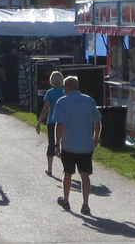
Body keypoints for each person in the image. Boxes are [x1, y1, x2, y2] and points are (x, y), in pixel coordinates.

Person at [51, 75, 101, 216]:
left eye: (64, 86)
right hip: (86, 144)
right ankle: (85, 204)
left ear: (69, 87)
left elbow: (59, 125)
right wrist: (96, 137)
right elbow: (97, 121)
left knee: (68, 172)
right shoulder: (89, 100)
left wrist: (57, 144)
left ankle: (66, 200)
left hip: (69, 144)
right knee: (85, 174)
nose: (63, 90)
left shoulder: (63, 102)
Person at [36, 70, 65, 176]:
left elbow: (45, 109)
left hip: (52, 121)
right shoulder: (65, 91)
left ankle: (50, 168)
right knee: (64, 143)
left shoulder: (50, 92)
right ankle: (66, 168)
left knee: (51, 143)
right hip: (64, 121)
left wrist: (39, 121)